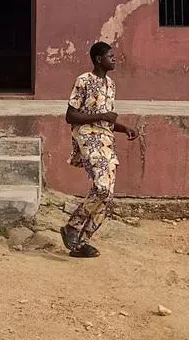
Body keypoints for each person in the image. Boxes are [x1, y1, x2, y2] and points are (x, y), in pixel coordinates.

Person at [60, 41, 138, 258]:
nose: (114, 59)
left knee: (107, 196)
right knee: (102, 187)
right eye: (110, 56)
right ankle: (72, 227)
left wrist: (124, 128)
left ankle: (81, 243)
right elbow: (71, 116)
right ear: (98, 59)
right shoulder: (83, 81)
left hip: (106, 139)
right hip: (87, 137)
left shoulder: (111, 85)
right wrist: (102, 117)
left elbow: (107, 118)